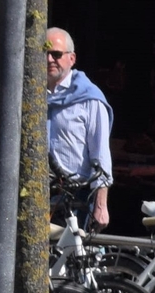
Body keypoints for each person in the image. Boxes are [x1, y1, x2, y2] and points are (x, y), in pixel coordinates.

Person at [43, 27, 113, 230]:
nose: (49, 60)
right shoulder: (32, 93)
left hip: (75, 197)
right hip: (38, 192)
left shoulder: (90, 98)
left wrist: (100, 206)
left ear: (71, 59)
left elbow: (100, 156)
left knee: (71, 259)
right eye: (44, 53)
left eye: (56, 54)